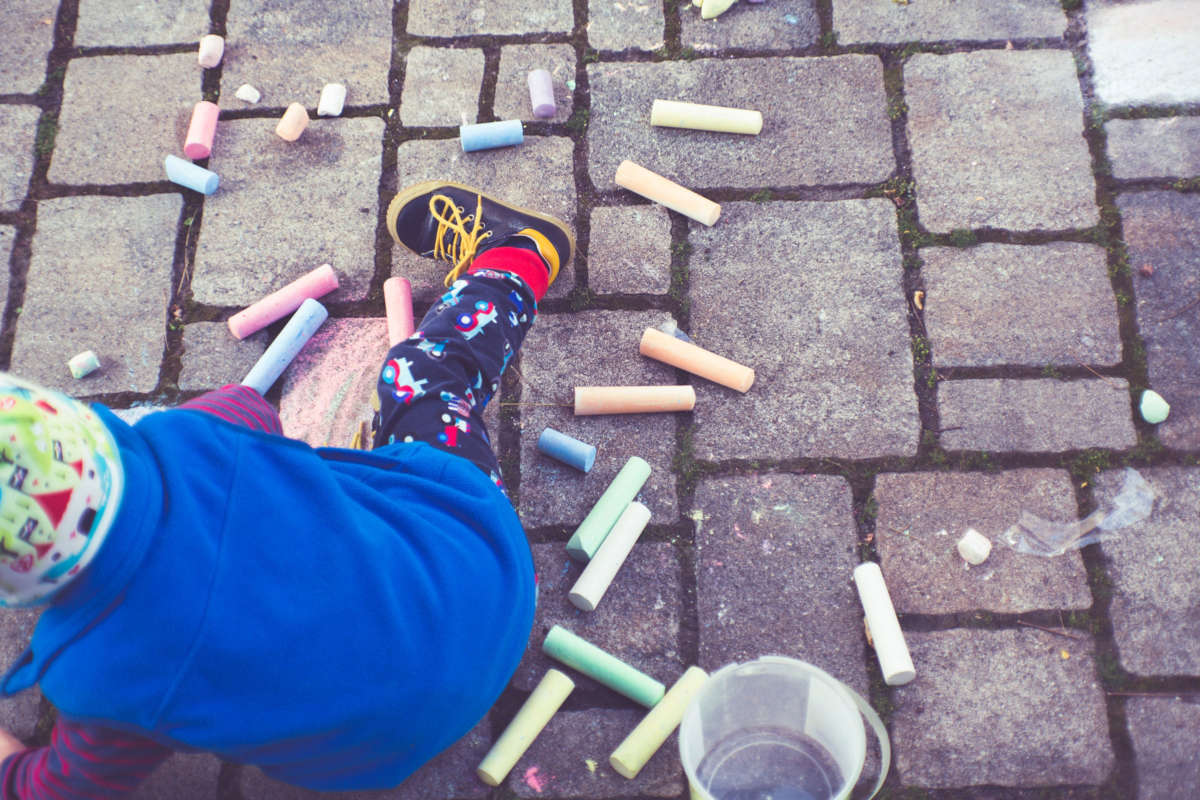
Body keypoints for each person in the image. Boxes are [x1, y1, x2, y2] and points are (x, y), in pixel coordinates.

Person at [0, 182, 574, 797]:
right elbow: (253, 410)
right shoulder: (194, 440)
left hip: (384, 749)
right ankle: (524, 254)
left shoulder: (101, 680)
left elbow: (50, 790)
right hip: (486, 579)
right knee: (421, 376)